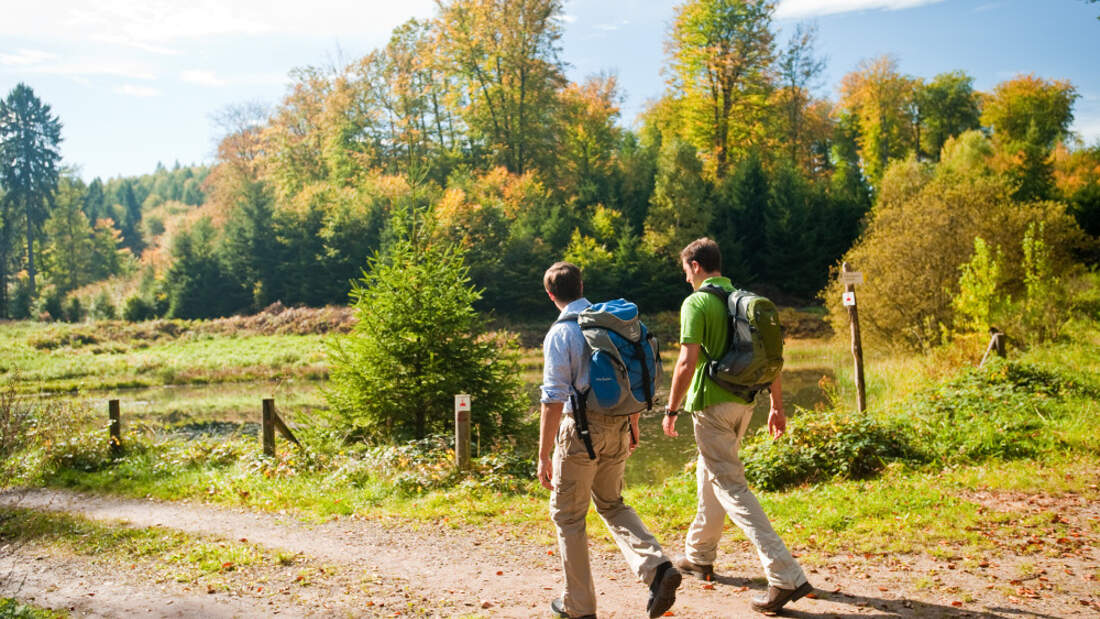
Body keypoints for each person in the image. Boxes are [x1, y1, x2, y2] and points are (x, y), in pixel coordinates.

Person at [661, 238, 813, 615]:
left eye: (685, 271)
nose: (685, 279)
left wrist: (670, 408)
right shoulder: (743, 301)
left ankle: (784, 574)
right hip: (744, 403)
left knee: (730, 485)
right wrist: (777, 406)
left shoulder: (696, 302)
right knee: (711, 475)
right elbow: (772, 357)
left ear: (695, 266)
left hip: (711, 406)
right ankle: (699, 555)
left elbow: (686, 362)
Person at [537, 261, 682, 619]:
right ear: (582, 286)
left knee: (569, 517)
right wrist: (632, 425)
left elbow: (553, 398)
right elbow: (629, 380)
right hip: (618, 426)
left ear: (550, 294)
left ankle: (579, 607)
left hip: (580, 432)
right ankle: (658, 568)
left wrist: (543, 454)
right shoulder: (612, 324)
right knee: (612, 503)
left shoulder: (560, 334)